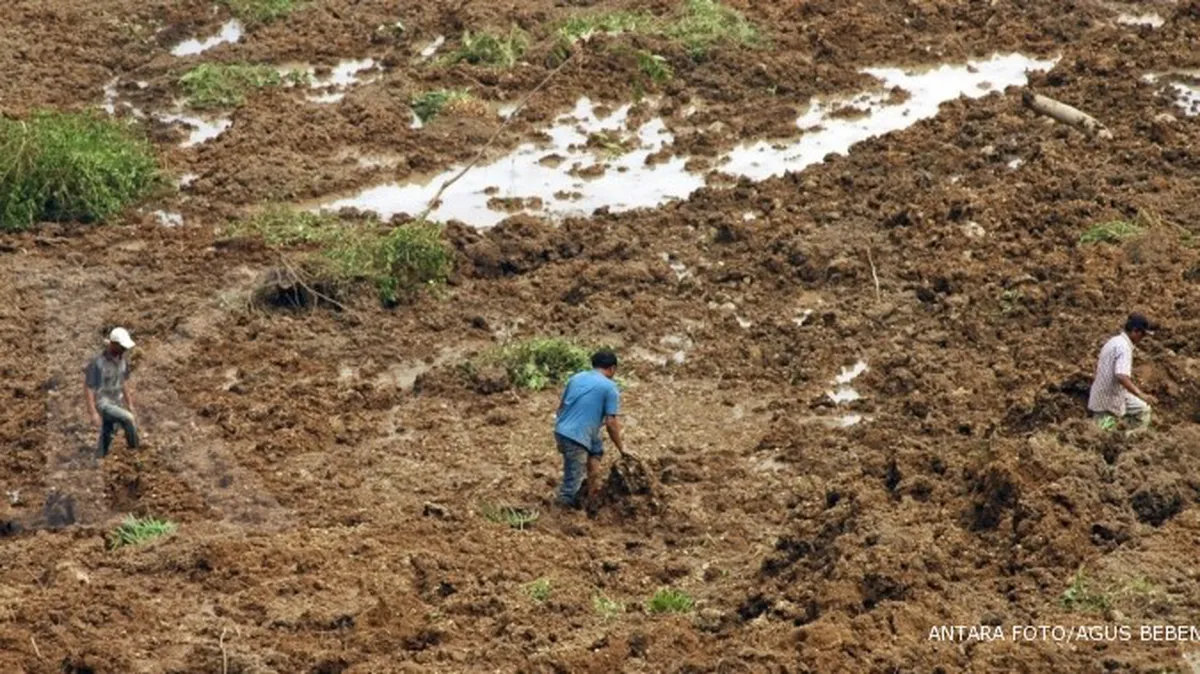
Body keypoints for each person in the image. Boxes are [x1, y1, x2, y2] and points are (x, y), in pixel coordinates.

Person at [554, 350, 624, 508]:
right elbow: (611, 422)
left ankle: (593, 492)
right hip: (575, 436)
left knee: (596, 450)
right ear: (612, 368)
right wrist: (622, 449)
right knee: (573, 481)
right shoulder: (610, 387)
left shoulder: (576, 378)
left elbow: (560, 408)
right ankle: (562, 513)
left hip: (563, 430)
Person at [1087, 313, 1157, 431]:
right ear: (1135, 331)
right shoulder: (1123, 347)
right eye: (1142, 334)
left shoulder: (1114, 341)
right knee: (1104, 433)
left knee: (1143, 410)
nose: (1142, 339)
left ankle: (1129, 438)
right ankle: (1124, 441)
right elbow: (1121, 376)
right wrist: (1141, 394)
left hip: (1113, 394)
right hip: (1107, 401)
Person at [85, 327, 139, 457]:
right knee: (128, 419)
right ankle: (135, 453)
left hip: (116, 401)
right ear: (113, 344)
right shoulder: (97, 362)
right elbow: (88, 387)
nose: (125, 350)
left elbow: (124, 383)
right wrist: (93, 413)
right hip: (103, 402)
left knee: (109, 431)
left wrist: (129, 404)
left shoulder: (123, 361)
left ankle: (98, 457)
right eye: (122, 346)